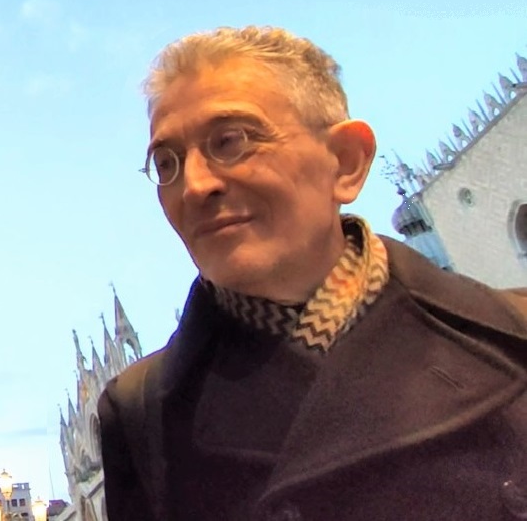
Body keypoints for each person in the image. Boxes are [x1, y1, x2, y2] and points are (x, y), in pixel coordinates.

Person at [99, 26, 527, 521]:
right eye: (166, 162)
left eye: (231, 141)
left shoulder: (510, 333)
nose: (193, 185)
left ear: (345, 162)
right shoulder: (141, 417)